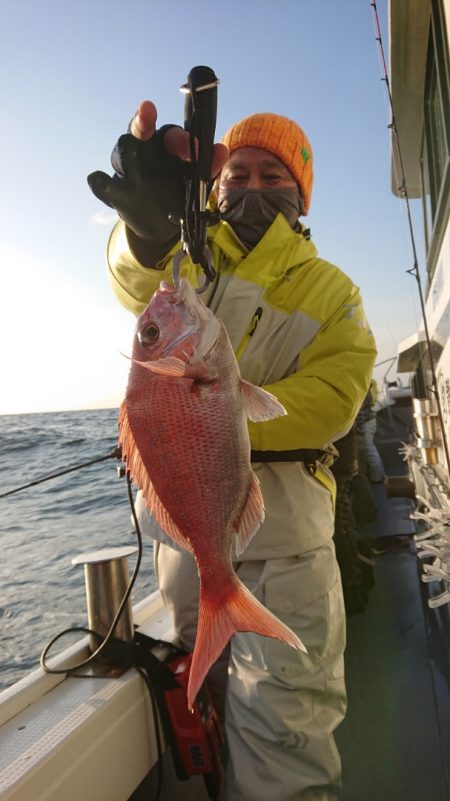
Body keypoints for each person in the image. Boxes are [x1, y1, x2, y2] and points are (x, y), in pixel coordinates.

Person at [88, 100, 377, 801]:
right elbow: (134, 281)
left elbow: (336, 397)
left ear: (300, 195)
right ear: (214, 187)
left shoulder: (333, 290)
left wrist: (220, 416)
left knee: (285, 744)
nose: (251, 187)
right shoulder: (184, 263)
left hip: (286, 553)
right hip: (185, 553)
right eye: (237, 174)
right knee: (207, 706)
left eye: (272, 176)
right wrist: (144, 234)